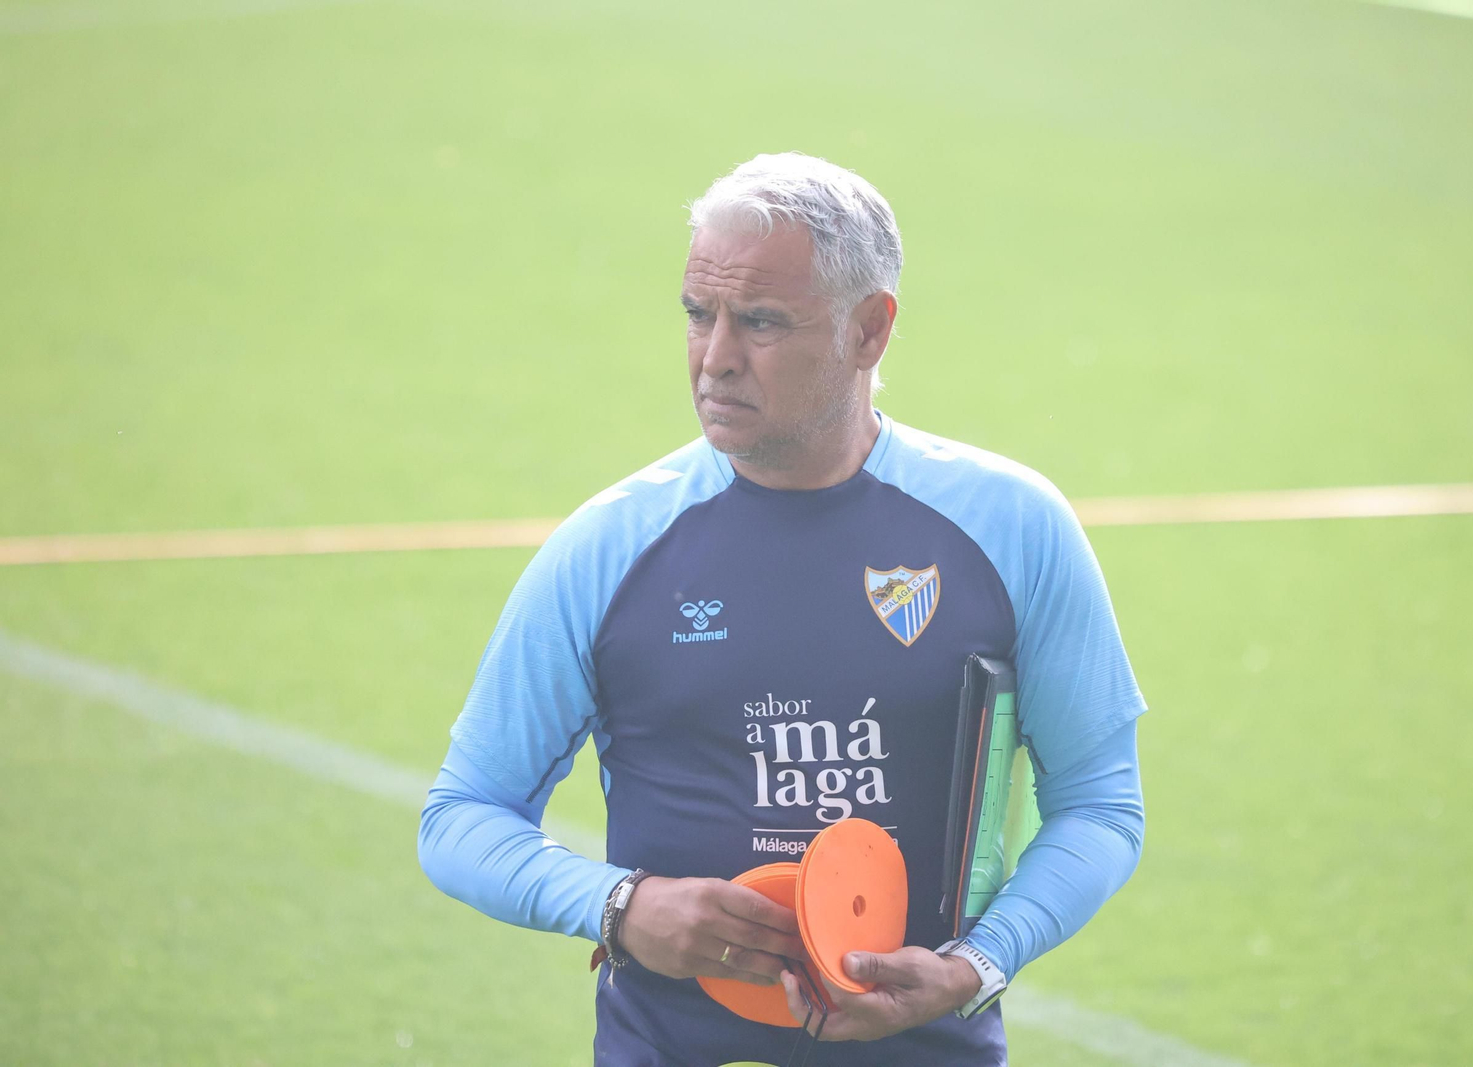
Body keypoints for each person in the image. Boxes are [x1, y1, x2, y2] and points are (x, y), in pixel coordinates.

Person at [418, 152, 1147, 1066]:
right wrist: (621, 905)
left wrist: (977, 963)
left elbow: (1101, 802)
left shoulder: (1012, 528)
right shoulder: (609, 548)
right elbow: (461, 815)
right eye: (698, 313)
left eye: (760, 321)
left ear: (869, 330)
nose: (715, 357)